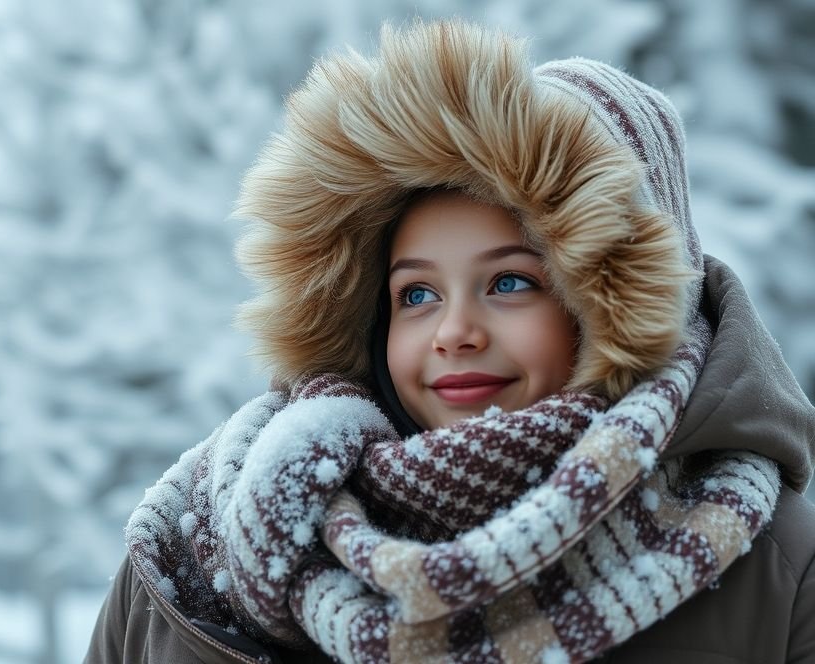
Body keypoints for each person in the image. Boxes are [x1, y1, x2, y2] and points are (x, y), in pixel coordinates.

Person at [86, 19, 815, 663]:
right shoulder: (194, 556)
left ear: (609, 307)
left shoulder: (772, 564)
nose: (455, 333)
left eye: (509, 284)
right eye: (418, 295)